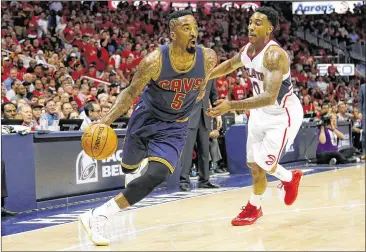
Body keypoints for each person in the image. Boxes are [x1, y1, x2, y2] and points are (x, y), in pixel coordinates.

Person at [79, 10, 217, 246]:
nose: (194, 32)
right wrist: (106, 121)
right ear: (173, 34)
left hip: (175, 126)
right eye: (186, 28)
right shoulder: (154, 61)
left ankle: (97, 216)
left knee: (156, 174)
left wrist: (208, 108)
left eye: (195, 27)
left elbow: (202, 88)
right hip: (147, 119)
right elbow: (131, 92)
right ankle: (133, 170)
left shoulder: (209, 57)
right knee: (128, 166)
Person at [206, 7, 304, 226]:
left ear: (270, 29)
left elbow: (270, 97)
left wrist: (230, 105)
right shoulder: (249, 49)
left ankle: (255, 205)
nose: (251, 26)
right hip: (259, 111)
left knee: (265, 165)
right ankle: (287, 181)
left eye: (258, 23)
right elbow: (231, 64)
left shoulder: (274, 55)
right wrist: (206, 77)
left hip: (281, 115)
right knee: (254, 164)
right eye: (250, 22)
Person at [179, 79, 221, 192]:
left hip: (205, 116)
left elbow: (214, 96)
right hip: (190, 116)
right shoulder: (191, 70)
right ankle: (183, 181)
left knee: (205, 151)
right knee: (187, 151)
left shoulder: (212, 74)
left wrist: (218, 114)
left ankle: (204, 181)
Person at [358, 83, 365, 159]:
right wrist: (359, 112)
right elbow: (360, 101)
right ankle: (364, 152)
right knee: (364, 132)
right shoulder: (362, 87)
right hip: (365, 112)